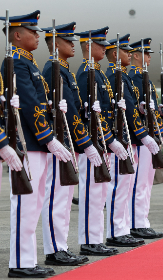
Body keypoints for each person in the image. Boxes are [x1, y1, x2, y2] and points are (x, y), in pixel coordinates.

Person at [1, 11, 73, 278]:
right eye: (32, 31)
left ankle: (27, 260)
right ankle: (19, 263)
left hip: (37, 144)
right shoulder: (17, 62)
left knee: (35, 203)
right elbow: (29, 106)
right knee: (25, 204)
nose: (37, 35)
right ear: (17, 35)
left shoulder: (29, 64)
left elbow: (39, 103)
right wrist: (48, 138)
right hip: (28, 143)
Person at [40, 22, 91, 266]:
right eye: (68, 40)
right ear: (56, 44)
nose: (73, 44)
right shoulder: (53, 69)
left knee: (64, 197)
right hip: (60, 140)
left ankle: (61, 245)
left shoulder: (64, 70)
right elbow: (67, 111)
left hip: (69, 141)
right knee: (56, 197)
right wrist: (83, 141)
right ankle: (53, 250)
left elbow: (74, 109)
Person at [75, 27, 120, 258]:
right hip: (93, 140)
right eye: (100, 45)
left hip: (102, 139)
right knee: (91, 192)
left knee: (100, 192)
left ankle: (96, 238)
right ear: (89, 47)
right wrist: (105, 139)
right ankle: (88, 240)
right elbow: (88, 112)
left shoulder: (99, 73)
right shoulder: (85, 73)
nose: (105, 48)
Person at [127, 38, 163, 238]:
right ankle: (137, 223)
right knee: (139, 184)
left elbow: (152, 110)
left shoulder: (144, 78)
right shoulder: (135, 78)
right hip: (141, 138)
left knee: (146, 183)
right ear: (137, 56)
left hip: (150, 136)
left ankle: (142, 221)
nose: (149, 57)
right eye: (146, 54)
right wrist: (158, 134)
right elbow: (138, 110)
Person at [103, 34, 145, 247]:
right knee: (118, 186)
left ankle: (123, 228)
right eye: (124, 51)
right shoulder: (113, 76)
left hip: (127, 136)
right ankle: (116, 231)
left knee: (126, 186)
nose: (129, 53)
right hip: (119, 137)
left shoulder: (122, 76)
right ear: (113, 54)